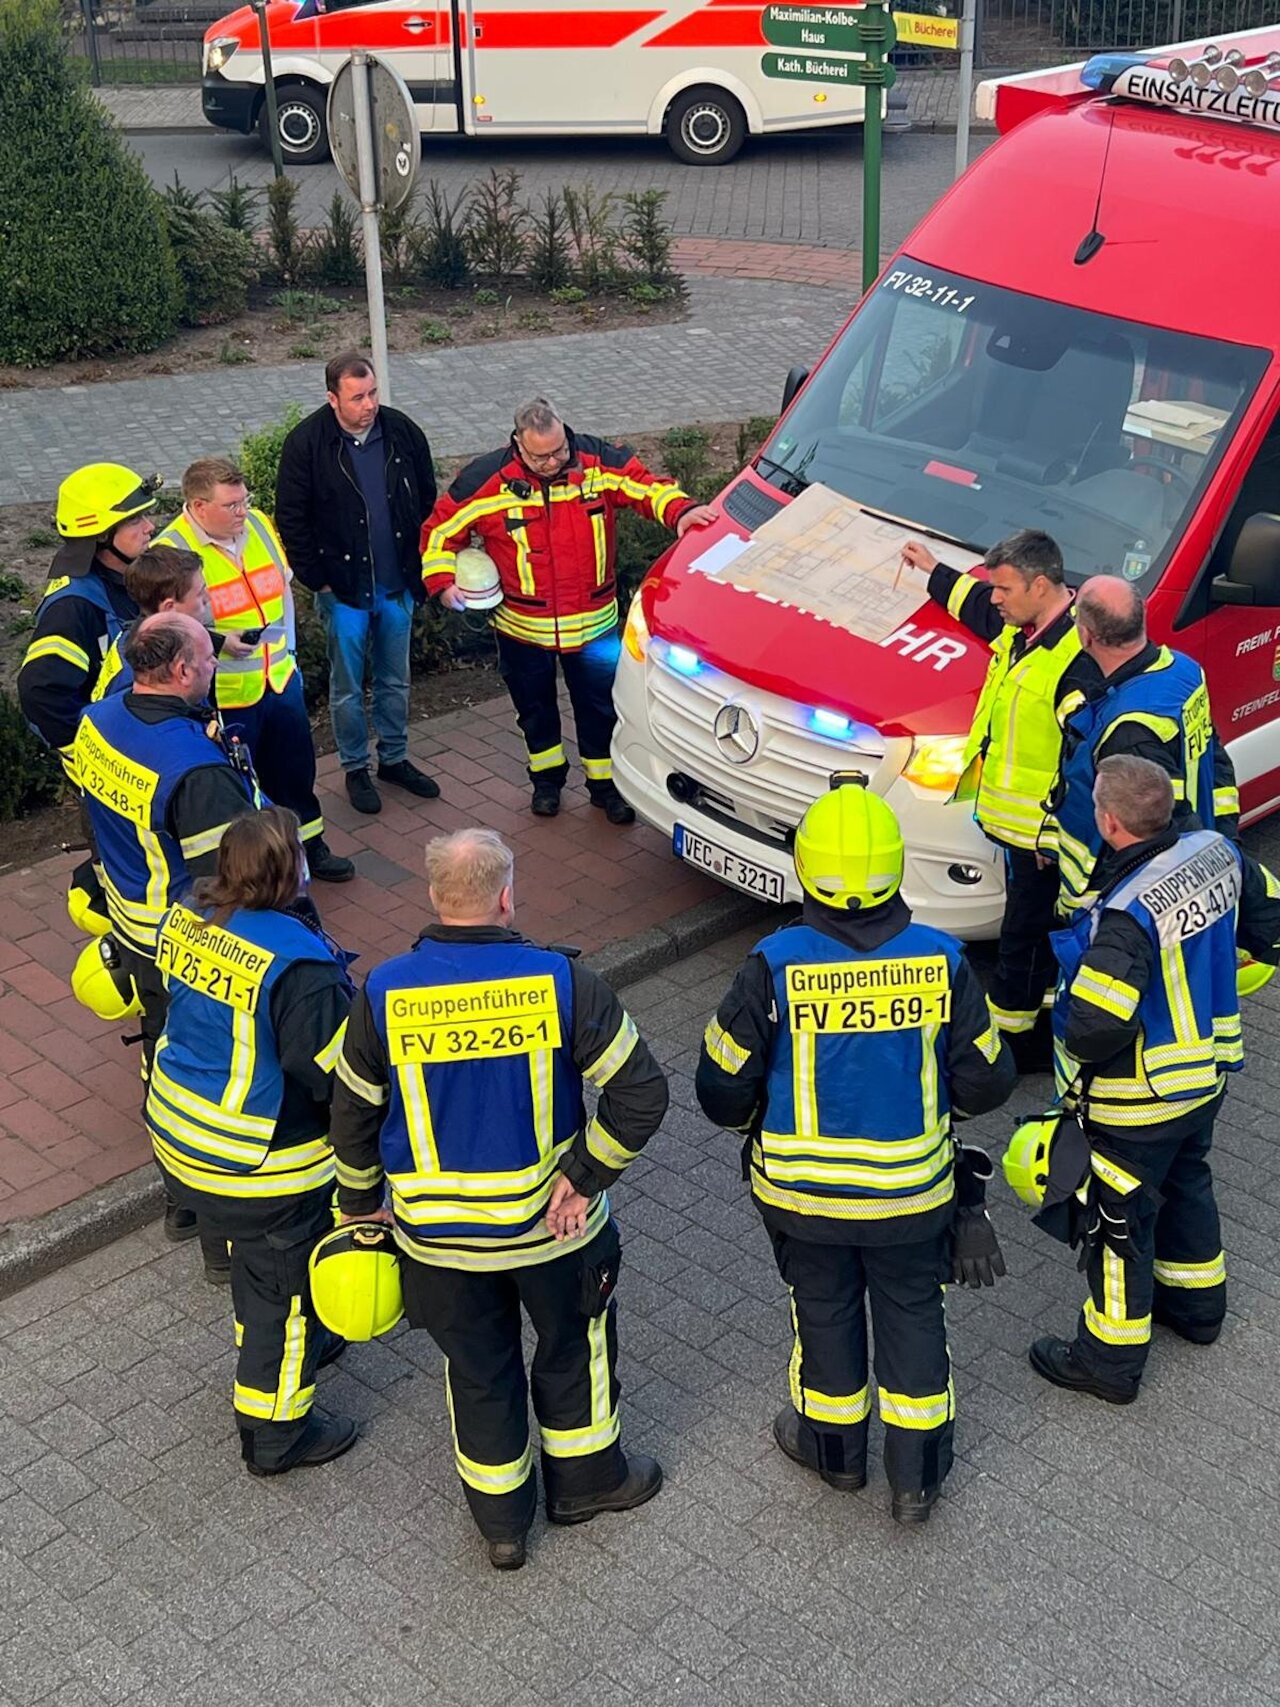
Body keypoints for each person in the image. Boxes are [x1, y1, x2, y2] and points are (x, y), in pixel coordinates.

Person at [329, 828, 668, 1570]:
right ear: (507, 895)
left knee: (477, 1371)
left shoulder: (382, 992)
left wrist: (358, 1206)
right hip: (555, 1233)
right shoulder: (562, 983)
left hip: (438, 1245)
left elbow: (351, 1112)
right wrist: (584, 1174)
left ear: (433, 898)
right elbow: (642, 1092)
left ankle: (503, 1525)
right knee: (573, 1351)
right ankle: (585, 1484)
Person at [695, 778, 1015, 1525]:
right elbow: (990, 1079)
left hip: (803, 1201)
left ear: (806, 868)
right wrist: (932, 1105)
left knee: (825, 1311)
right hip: (914, 1198)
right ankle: (916, 1480)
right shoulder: (941, 960)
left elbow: (718, 1090)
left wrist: (762, 1115)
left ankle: (835, 1456)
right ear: (895, 867)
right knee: (913, 1316)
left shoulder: (771, 965)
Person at [1027, 755, 1280, 1403]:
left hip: (1136, 1100)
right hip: (1206, 1074)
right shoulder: (1216, 850)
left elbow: (1094, 1026)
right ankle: (1198, 1309)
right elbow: (1268, 923)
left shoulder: (1126, 916)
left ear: (1109, 822)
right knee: (1188, 1180)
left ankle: (1108, 1360)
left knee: (1117, 1221)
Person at [145, 806, 359, 1476]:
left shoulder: (190, 914)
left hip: (179, 1130)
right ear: (289, 871)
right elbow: (332, 1079)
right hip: (256, 1160)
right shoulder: (300, 968)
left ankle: (296, 1338)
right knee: (283, 1289)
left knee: (257, 1268)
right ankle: (275, 1432)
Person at [420, 398, 716, 823]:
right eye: (542, 456)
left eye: (560, 450)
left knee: (600, 708)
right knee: (534, 710)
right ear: (518, 444)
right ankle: (546, 782)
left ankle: (605, 786)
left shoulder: (595, 462)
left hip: (593, 624)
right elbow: (440, 532)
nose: (555, 461)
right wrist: (444, 583)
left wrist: (681, 511)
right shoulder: (487, 480)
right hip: (522, 628)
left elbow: (643, 486)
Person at [73, 613, 261, 1267]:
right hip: (185, 943)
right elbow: (227, 881)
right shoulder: (195, 771)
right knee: (212, 1080)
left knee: (162, 1062)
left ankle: (179, 1202)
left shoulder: (97, 719)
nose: (216, 665)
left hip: (131, 924)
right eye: (209, 657)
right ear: (181, 671)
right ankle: (222, 1244)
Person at [904, 531, 1097, 1058]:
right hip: (1018, 830)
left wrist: (1054, 834)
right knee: (1030, 931)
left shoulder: (1077, 659)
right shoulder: (1027, 628)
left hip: (1044, 838)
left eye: (1004, 589)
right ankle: (1031, 1020)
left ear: (1040, 585)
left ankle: (1016, 1039)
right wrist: (933, 570)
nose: (995, 599)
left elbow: (1083, 764)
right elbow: (977, 607)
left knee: (1026, 937)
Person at [152, 457, 354, 882]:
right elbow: (170, 626)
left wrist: (291, 658)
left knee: (296, 772)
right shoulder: (171, 553)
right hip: (225, 692)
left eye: (245, 501)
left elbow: (281, 590)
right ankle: (263, 871)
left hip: (279, 678)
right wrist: (219, 643)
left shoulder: (259, 525)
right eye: (232, 506)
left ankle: (309, 847)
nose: (243, 512)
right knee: (243, 787)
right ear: (198, 505)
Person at [275, 351, 440, 817]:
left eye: (372, 393)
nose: (368, 405)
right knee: (347, 686)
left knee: (395, 679)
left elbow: (426, 498)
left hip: (396, 586)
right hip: (343, 591)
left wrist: (421, 567)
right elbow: (292, 519)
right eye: (357, 397)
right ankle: (354, 766)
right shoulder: (306, 444)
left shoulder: (401, 432)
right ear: (333, 399)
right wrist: (320, 582)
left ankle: (394, 757)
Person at [1048, 576, 1238, 914]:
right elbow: (1215, 757)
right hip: (1202, 845)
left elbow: (1152, 829)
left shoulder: (1128, 731)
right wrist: (1225, 840)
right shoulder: (1184, 670)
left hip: (1112, 893)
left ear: (1086, 635)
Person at [18, 461, 158, 779]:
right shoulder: (73, 608)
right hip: (118, 766)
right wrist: (88, 752)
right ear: (102, 534)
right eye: (134, 519)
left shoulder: (127, 577)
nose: (150, 526)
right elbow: (40, 692)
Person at [92, 547, 213, 702]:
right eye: (200, 593)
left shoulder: (142, 639)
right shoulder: (144, 673)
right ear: (170, 608)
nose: (207, 598)